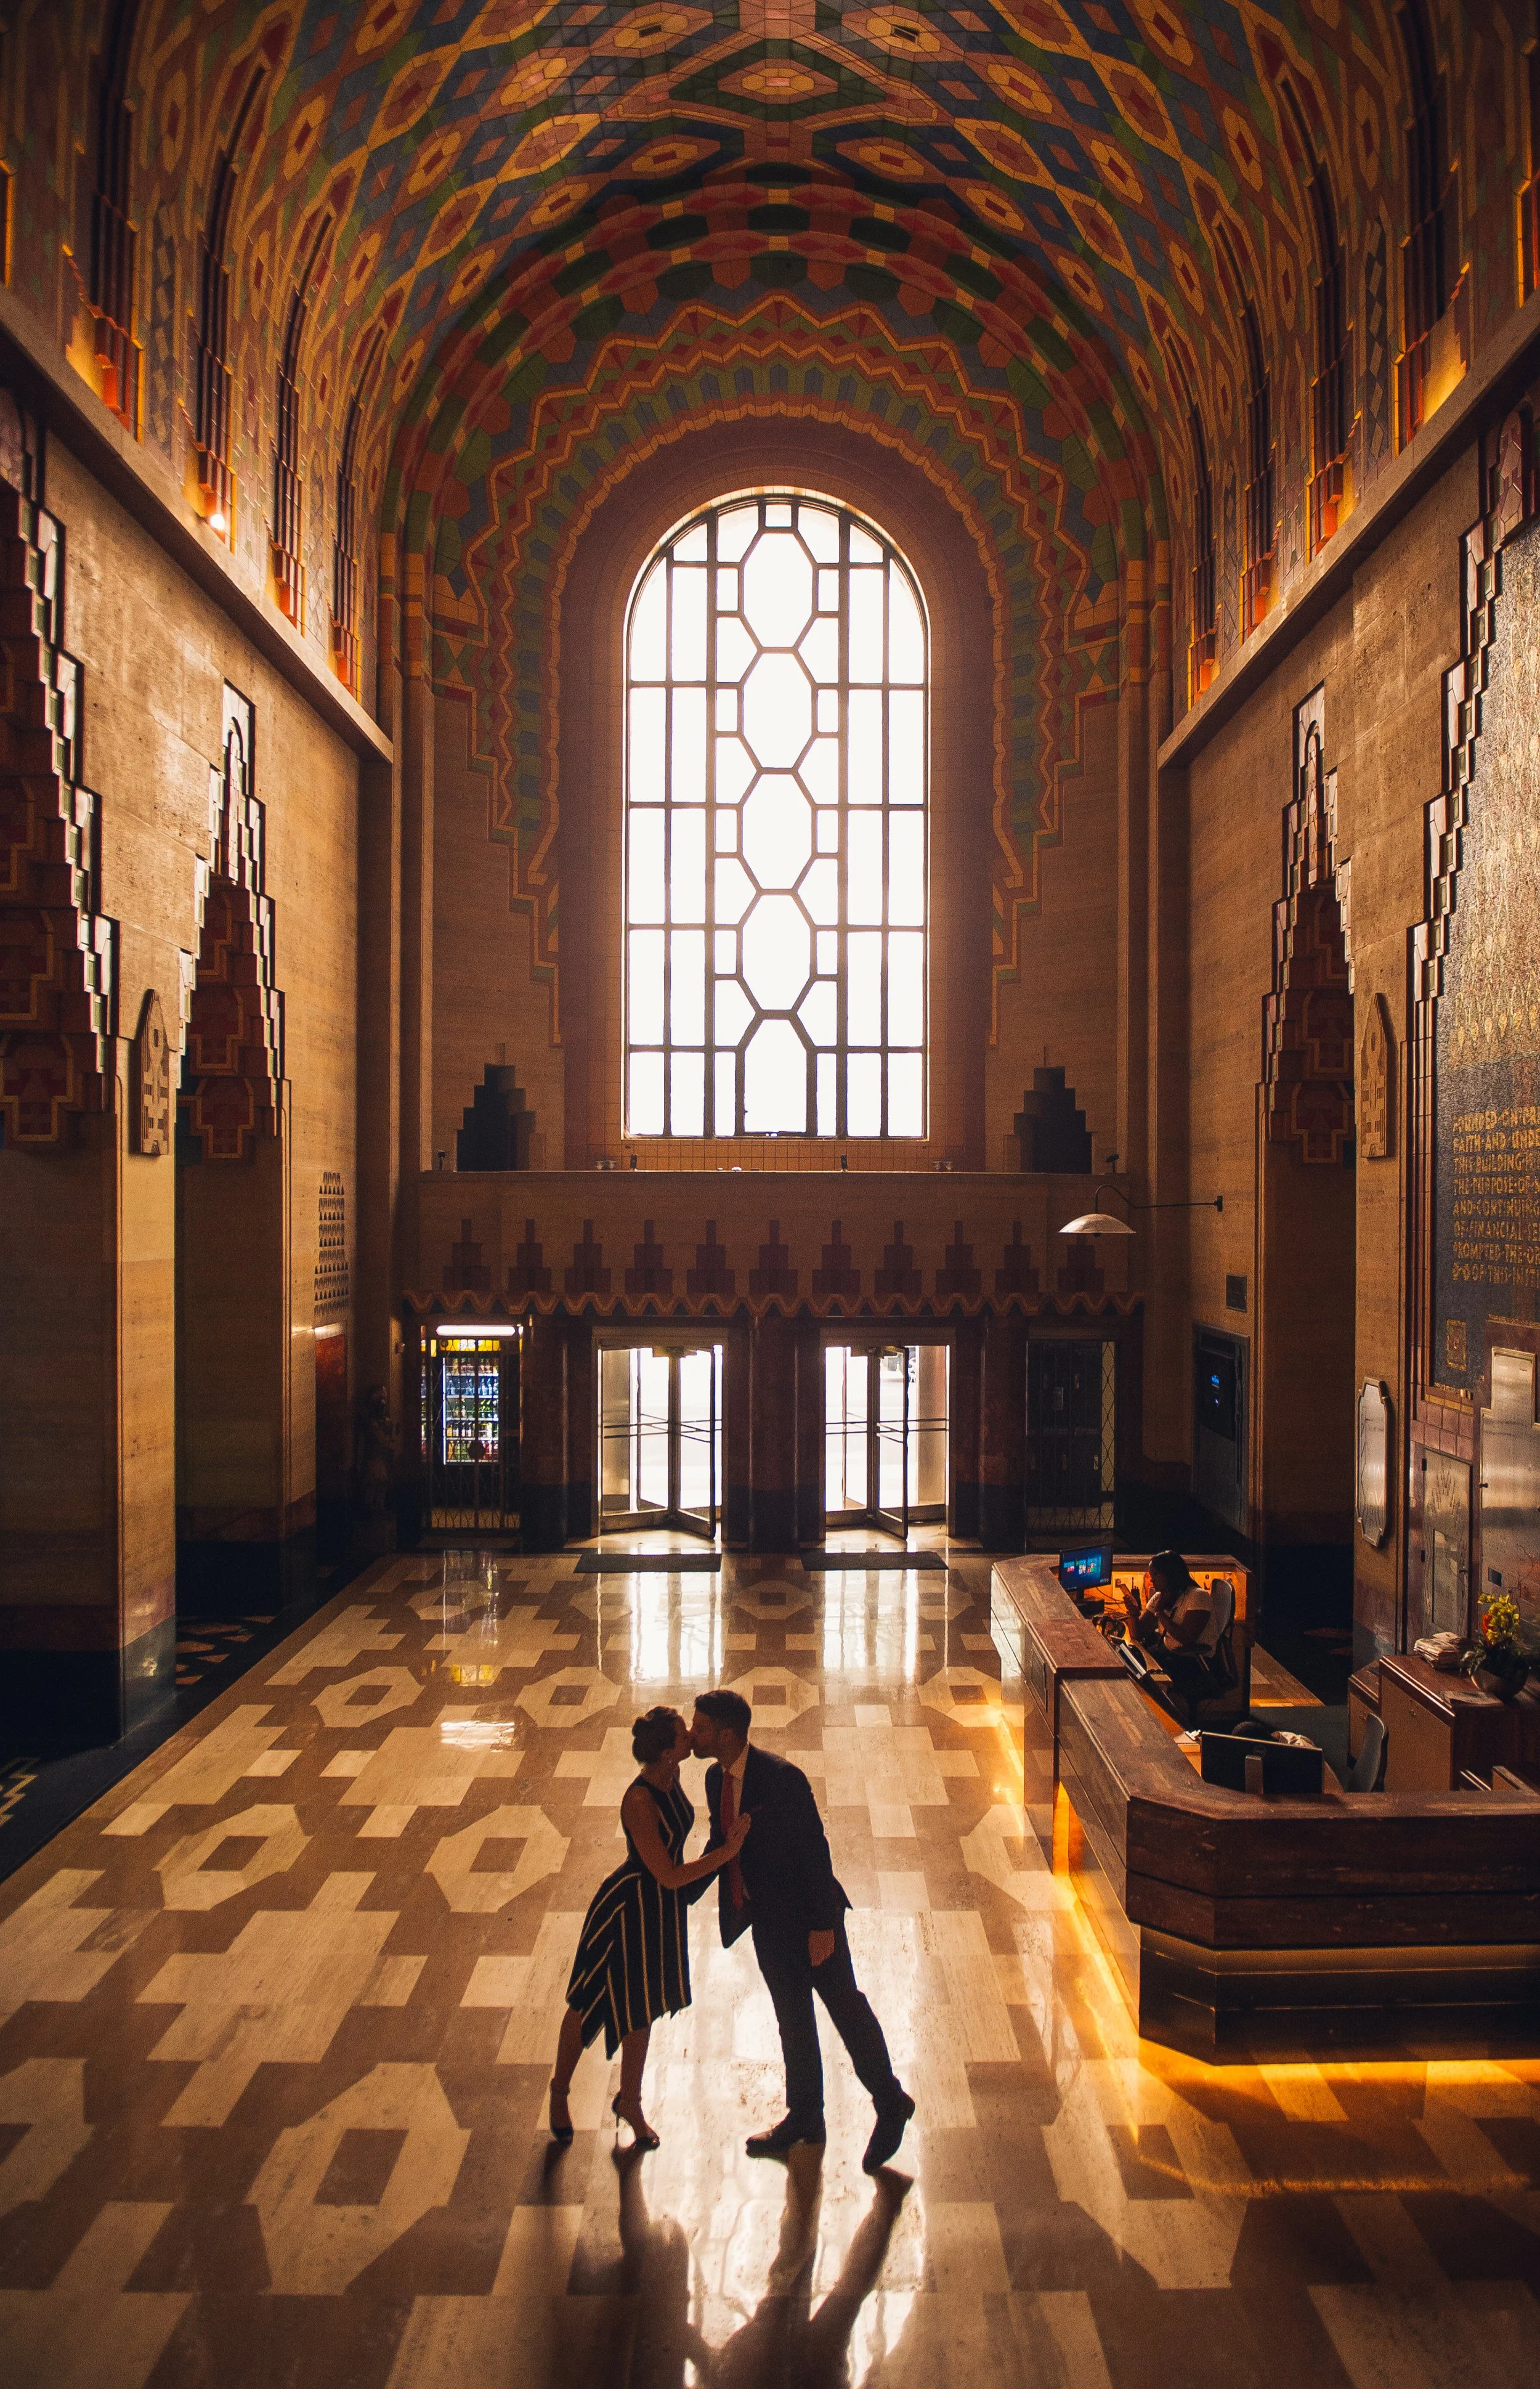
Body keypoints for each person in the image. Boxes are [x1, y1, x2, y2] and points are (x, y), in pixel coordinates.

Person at [691, 1687, 914, 2173]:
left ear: (726, 1734)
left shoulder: (782, 1779)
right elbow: (722, 1838)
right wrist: (684, 1885)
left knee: (845, 2009)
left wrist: (821, 1926)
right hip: (766, 1922)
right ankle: (806, 2115)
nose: (693, 1734)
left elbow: (815, 1852)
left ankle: (891, 2101)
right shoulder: (714, 1778)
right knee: (791, 2018)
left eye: (701, 1727)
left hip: (809, 1920)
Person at [548, 1704, 750, 2150]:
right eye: (684, 1735)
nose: (692, 1739)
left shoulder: (672, 1776)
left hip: (657, 1911)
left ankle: (631, 2101)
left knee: (643, 2008)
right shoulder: (640, 1802)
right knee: (589, 2003)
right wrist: (727, 1852)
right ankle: (559, 2091)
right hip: (629, 1910)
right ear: (665, 1753)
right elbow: (670, 1874)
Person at [1130, 1550, 1221, 1712]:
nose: (1152, 1579)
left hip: (1193, 1662)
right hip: (1169, 1652)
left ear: (1170, 1574)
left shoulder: (1198, 1597)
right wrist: (1133, 1613)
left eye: (1156, 1574)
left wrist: (1160, 1614)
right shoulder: (1160, 1597)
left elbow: (1186, 1638)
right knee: (1131, 1657)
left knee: (1148, 1678)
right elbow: (1138, 1634)